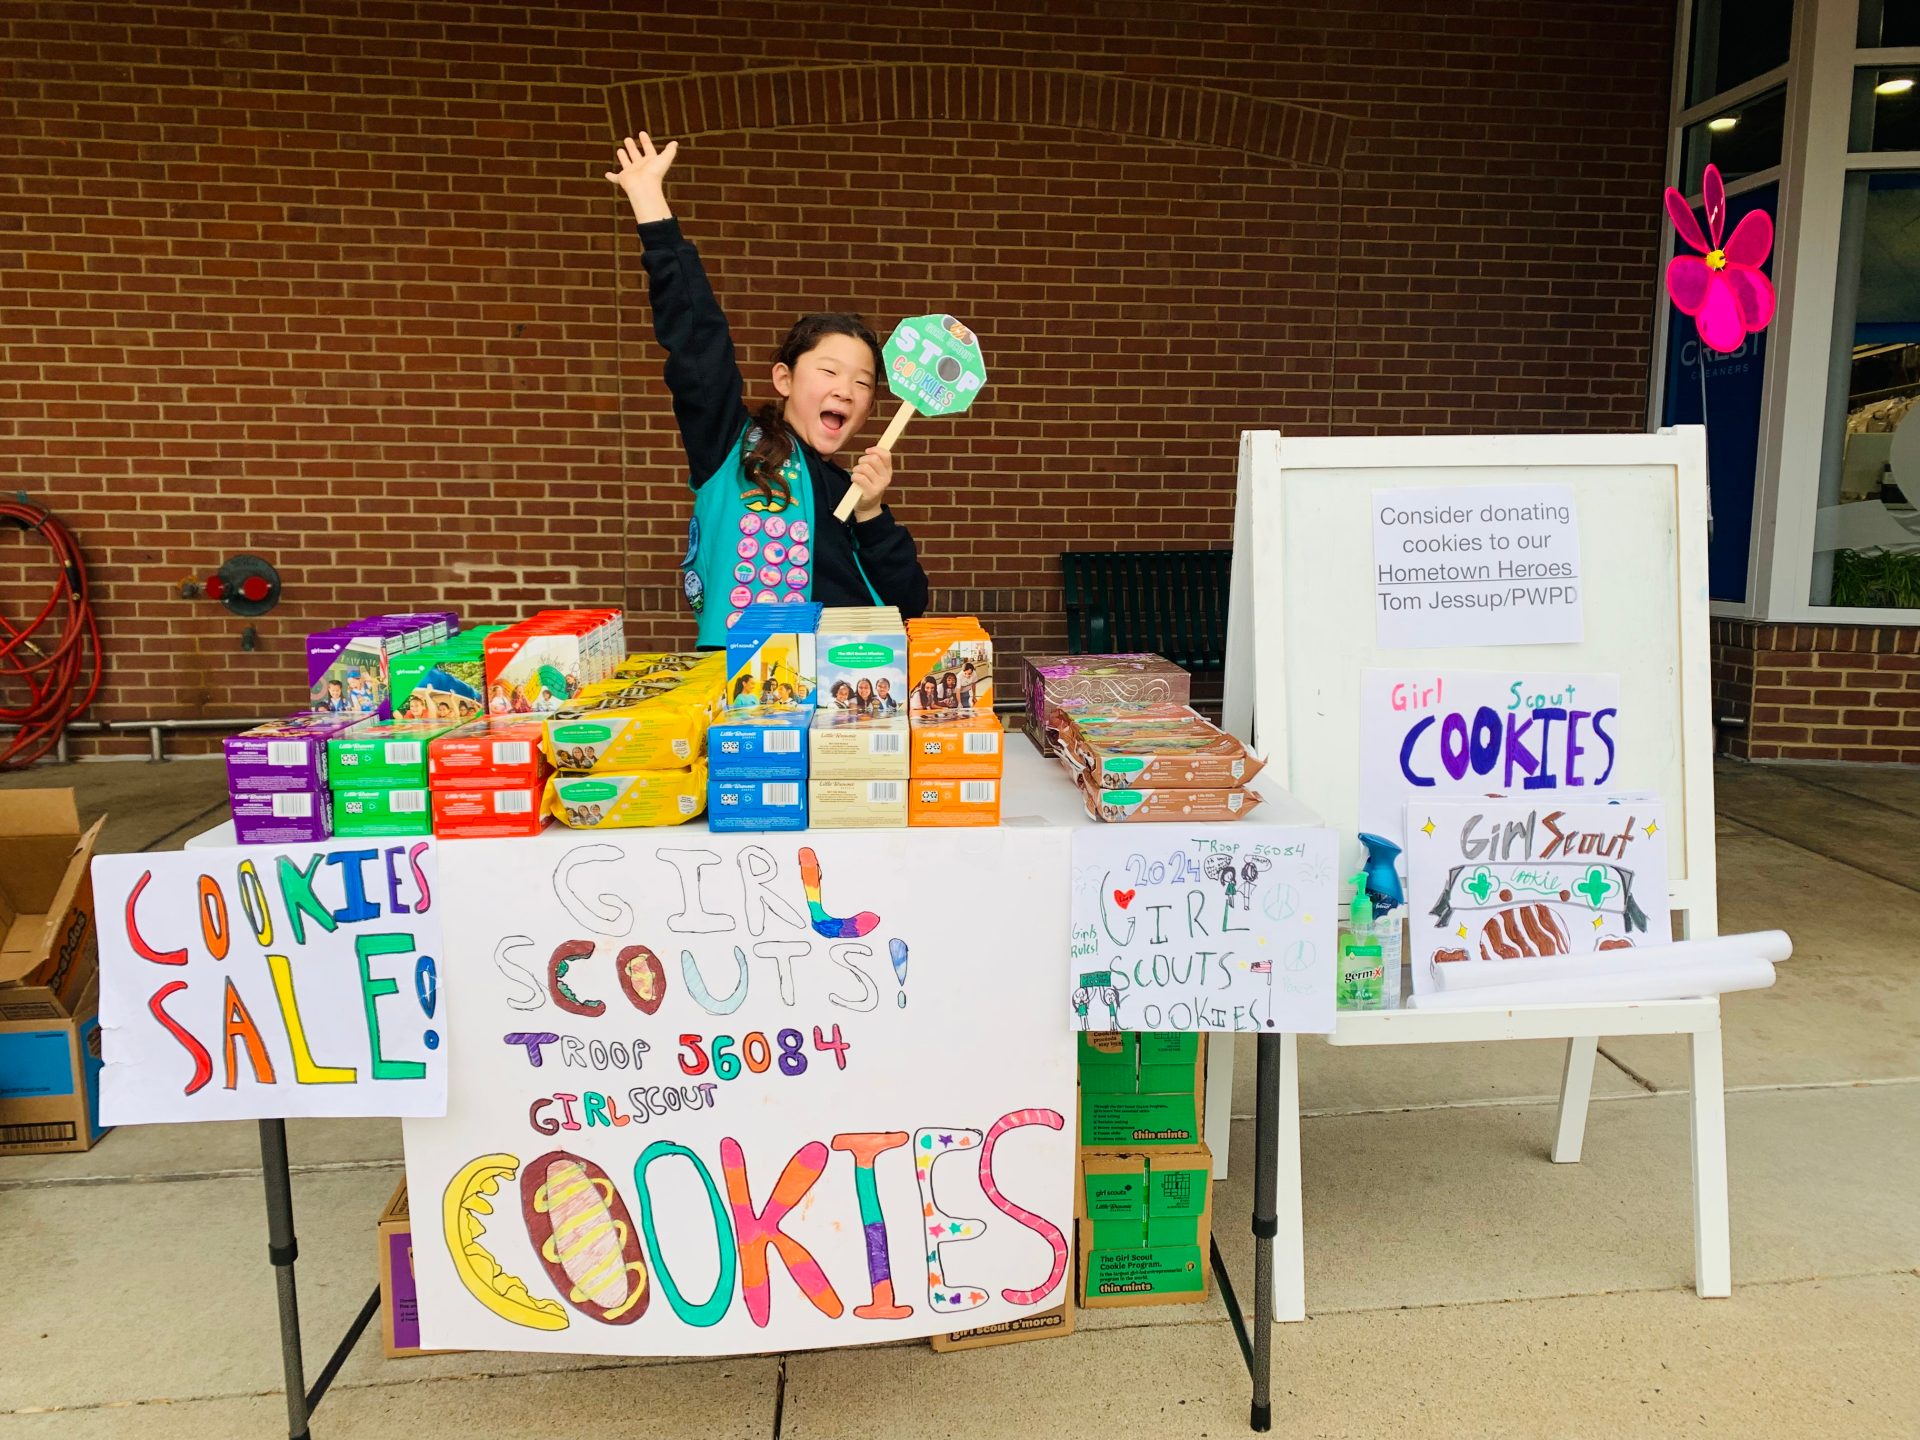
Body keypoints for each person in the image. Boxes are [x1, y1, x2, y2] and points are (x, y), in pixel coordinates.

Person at [606, 133, 931, 647]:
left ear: (869, 409)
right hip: (747, 696)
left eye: (862, 382)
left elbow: (907, 604)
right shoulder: (731, 447)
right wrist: (651, 206)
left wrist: (871, 512)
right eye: (828, 371)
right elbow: (698, 345)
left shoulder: (852, 492)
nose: (845, 389)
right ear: (784, 379)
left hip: (845, 695)